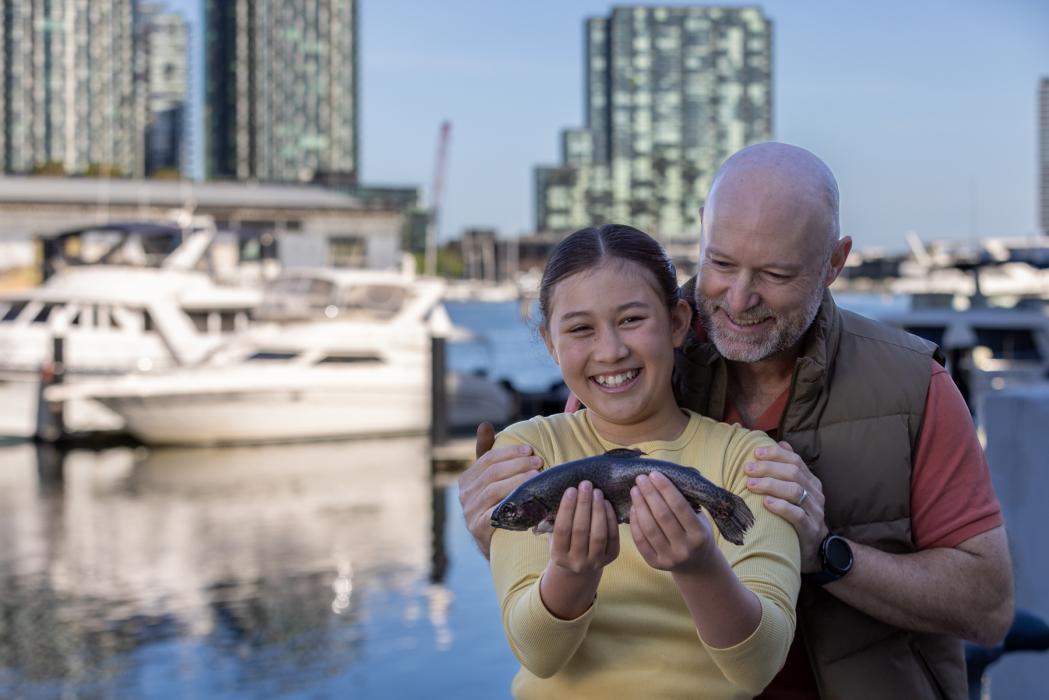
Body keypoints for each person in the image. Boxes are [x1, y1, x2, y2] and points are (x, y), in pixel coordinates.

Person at [460, 143, 1014, 699]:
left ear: (834, 264)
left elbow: (987, 609)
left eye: (775, 273)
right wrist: (502, 529)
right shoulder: (630, 362)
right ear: (703, 230)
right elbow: (561, 568)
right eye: (721, 263)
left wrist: (825, 552)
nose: (741, 298)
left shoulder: (913, 386)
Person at [488, 224, 800, 699]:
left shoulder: (753, 460)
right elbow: (537, 654)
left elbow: (760, 664)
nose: (611, 350)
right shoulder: (525, 454)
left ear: (677, 322)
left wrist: (700, 568)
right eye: (579, 328)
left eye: (632, 319)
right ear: (551, 343)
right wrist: (572, 572)